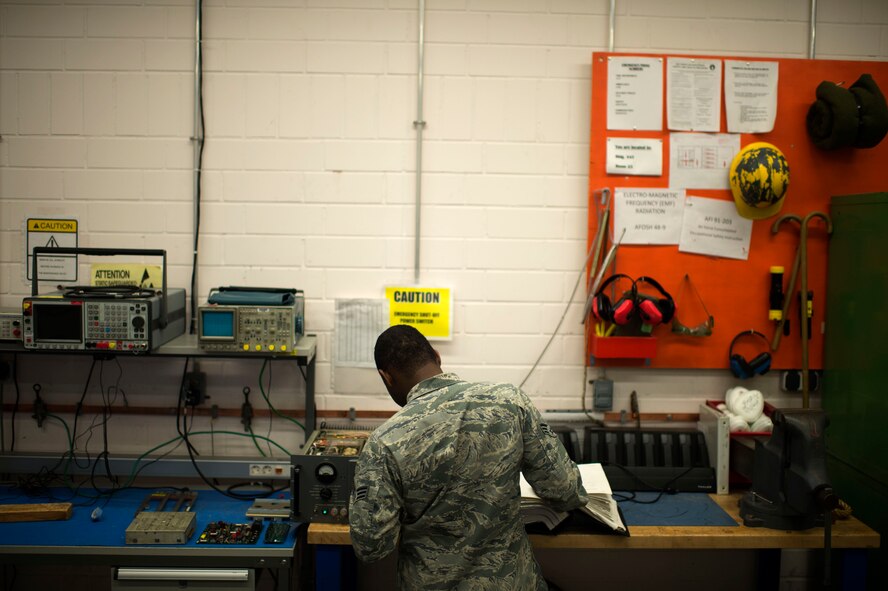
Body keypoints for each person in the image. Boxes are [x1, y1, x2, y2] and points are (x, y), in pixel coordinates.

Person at [349, 324, 588, 590]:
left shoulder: (384, 442)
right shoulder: (510, 401)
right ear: (438, 357)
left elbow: (371, 546)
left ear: (386, 377)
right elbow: (566, 491)